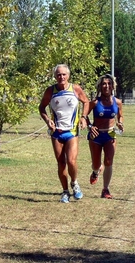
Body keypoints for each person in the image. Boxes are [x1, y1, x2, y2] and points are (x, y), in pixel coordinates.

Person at [39, 64, 90, 203]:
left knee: (71, 161)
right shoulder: (50, 91)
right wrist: (48, 120)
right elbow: (41, 107)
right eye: (58, 75)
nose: (61, 77)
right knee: (61, 163)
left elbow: (86, 102)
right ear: (55, 76)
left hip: (72, 132)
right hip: (56, 133)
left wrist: (84, 117)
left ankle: (74, 183)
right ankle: (65, 192)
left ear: (68, 75)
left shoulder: (75, 88)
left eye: (64, 74)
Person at [85, 74, 124, 199]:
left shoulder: (117, 102)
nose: (106, 86)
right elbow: (84, 116)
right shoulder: (95, 102)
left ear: (113, 86)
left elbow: (120, 116)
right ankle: (96, 171)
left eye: (109, 83)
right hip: (96, 135)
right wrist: (90, 126)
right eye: (104, 84)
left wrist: (120, 123)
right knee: (96, 164)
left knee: (108, 161)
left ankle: (105, 189)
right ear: (100, 87)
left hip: (111, 133)